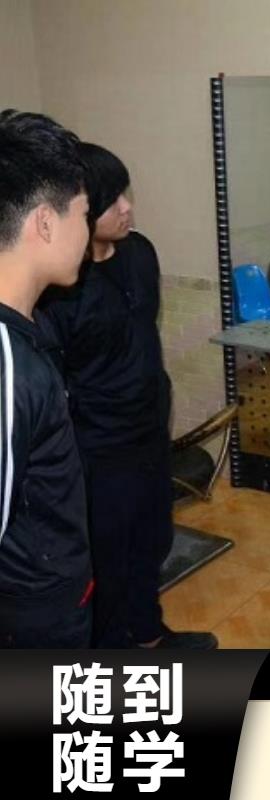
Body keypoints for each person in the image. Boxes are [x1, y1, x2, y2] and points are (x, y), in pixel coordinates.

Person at [37, 143, 217, 650]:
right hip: (99, 449)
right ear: (82, 210)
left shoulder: (141, 253)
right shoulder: (61, 287)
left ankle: (148, 636)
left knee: (153, 539)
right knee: (108, 560)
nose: (127, 207)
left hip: (149, 432)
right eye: (112, 199)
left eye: (126, 193)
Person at [0, 109, 92, 647]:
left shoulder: (28, 327)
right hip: (31, 624)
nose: (88, 229)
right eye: (83, 212)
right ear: (45, 222)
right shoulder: (7, 360)